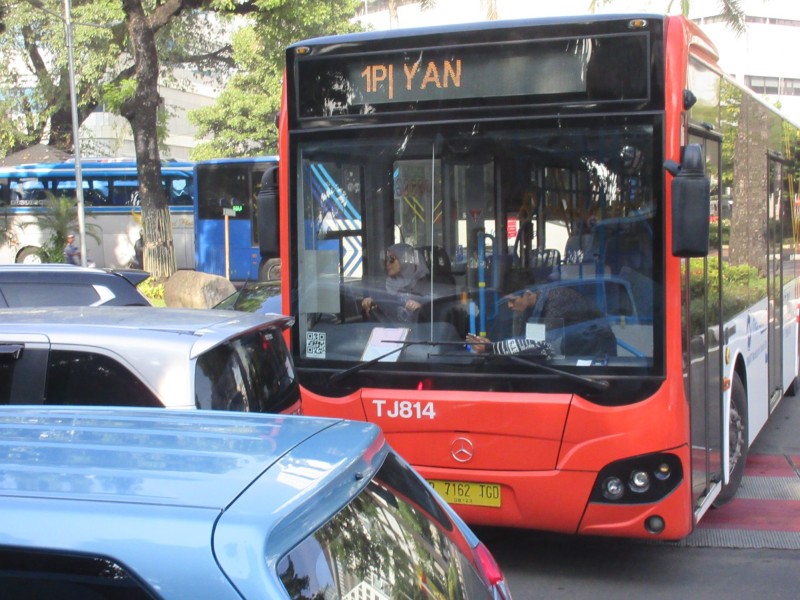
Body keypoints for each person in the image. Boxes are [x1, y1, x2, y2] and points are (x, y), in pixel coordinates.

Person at [466, 270, 616, 357]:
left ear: (528, 293)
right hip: (574, 349)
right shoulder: (529, 306)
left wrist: (492, 348)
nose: (510, 306)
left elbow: (540, 345)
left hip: (597, 355)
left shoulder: (556, 300)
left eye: (512, 300)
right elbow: (524, 342)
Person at [361, 243, 429, 322]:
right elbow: (384, 315)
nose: (387, 263)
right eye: (386, 260)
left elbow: (434, 317)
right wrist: (370, 305)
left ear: (405, 261)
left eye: (391, 259)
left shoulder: (425, 286)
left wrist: (420, 308)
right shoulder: (385, 287)